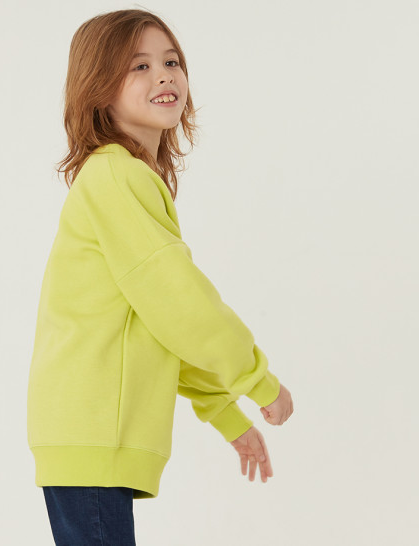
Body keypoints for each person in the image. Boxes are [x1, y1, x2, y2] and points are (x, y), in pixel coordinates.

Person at [26, 8, 294, 545]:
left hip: (90, 431)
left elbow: (160, 320)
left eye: (171, 62)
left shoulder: (124, 178)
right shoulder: (115, 176)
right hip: (94, 430)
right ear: (98, 88)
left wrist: (225, 412)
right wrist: (255, 379)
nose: (164, 76)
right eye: (139, 66)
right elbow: (181, 302)